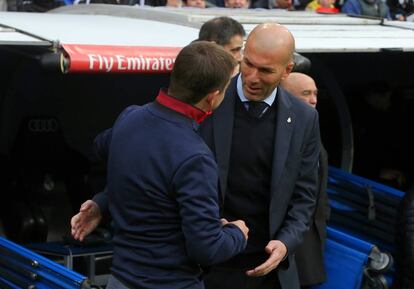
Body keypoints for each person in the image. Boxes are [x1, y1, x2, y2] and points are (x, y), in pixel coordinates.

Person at [72, 23, 320, 289]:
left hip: (268, 271)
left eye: (266, 70)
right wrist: (104, 203)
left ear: (287, 71)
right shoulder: (199, 99)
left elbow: (304, 195)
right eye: (248, 63)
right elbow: (150, 166)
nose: (252, 77)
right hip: (206, 268)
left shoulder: (305, 118)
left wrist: (286, 242)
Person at [73, 41, 249, 289]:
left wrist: (104, 201)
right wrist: (236, 234)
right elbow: (207, 249)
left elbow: (115, 156)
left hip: (120, 280)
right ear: (212, 97)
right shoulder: (195, 157)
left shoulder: (129, 117)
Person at [280, 72, 329, 288]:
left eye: (315, 93)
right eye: (306, 93)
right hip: (290, 241)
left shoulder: (311, 129)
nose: (313, 99)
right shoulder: (282, 134)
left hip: (311, 237)